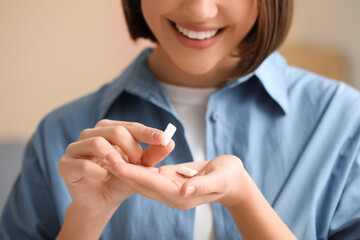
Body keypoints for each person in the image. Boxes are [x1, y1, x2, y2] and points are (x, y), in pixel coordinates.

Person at [1, 0, 360, 239]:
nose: (200, 11)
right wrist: (87, 217)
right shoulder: (60, 134)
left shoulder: (343, 121)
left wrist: (244, 200)